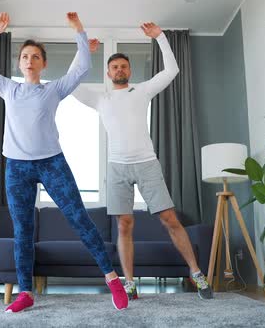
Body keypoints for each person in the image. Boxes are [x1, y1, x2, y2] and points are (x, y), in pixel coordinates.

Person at [0, 12, 128, 313]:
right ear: (20, 63)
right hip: (17, 168)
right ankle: (26, 292)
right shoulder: (8, 88)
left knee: (79, 219)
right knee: (22, 230)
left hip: (51, 163)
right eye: (25, 56)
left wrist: (79, 31)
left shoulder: (53, 89)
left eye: (36, 57)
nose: (30, 61)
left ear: (43, 63)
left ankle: (113, 279)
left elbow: (82, 66)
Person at [67, 22, 213, 301]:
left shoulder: (143, 90)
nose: (119, 70)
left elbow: (172, 70)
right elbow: (71, 84)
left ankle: (196, 273)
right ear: (108, 73)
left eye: (124, 66)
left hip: (147, 163)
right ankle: (130, 283)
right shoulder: (100, 98)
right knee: (124, 225)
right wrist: (83, 51)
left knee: (170, 219)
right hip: (117, 167)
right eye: (114, 67)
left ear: (129, 71)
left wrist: (160, 38)